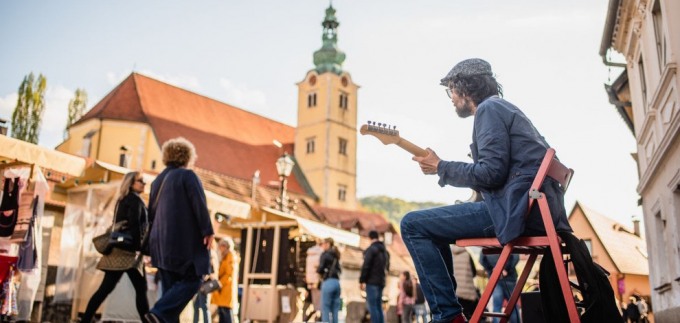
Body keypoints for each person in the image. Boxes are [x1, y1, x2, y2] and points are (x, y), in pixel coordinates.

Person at [400, 58, 572, 323]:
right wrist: (442, 167)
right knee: (430, 228)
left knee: (413, 225)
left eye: (451, 90)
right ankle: (449, 312)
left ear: (465, 87)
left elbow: (491, 174)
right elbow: (496, 174)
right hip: (531, 211)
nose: (451, 98)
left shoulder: (488, 110)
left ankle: (448, 316)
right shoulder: (503, 109)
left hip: (515, 212)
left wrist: (442, 167)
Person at [145, 137, 215, 323]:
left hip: (161, 245)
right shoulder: (187, 176)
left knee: (171, 293)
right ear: (187, 156)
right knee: (194, 279)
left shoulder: (157, 181)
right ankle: (158, 312)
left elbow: (150, 214)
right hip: (184, 244)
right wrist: (208, 230)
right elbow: (199, 204)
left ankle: (160, 316)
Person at [81, 171, 150, 323]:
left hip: (117, 251)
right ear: (131, 183)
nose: (144, 183)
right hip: (130, 252)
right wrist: (142, 248)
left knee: (105, 289)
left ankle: (85, 320)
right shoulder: (135, 201)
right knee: (140, 290)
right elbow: (135, 226)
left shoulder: (122, 200)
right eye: (141, 181)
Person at [479, 253, 519, 323]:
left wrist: (492, 270)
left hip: (495, 278)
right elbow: (516, 256)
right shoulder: (507, 242)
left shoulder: (488, 243)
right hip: (509, 278)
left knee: (497, 307)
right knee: (513, 306)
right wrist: (506, 269)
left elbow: (482, 260)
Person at [360, 230, 389, 323]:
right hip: (381, 281)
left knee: (372, 307)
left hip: (372, 282)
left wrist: (362, 280)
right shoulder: (385, 251)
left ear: (370, 238)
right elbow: (387, 268)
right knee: (378, 306)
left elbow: (366, 266)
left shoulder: (371, 249)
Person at [317, 237, 342, 323]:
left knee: (325, 307)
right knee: (335, 308)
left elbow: (320, 268)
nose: (322, 246)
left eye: (323, 244)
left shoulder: (325, 254)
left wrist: (318, 270)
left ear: (328, 244)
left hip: (328, 282)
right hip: (337, 282)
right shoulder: (336, 255)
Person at [450, 245, 479, 319]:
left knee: (457, 316)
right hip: (467, 292)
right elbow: (474, 272)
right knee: (469, 315)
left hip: (454, 291)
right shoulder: (466, 254)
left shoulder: (449, 254)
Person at [212, 238, 236, 323]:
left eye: (223, 246)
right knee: (221, 312)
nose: (221, 248)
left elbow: (229, 274)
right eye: (220, 245)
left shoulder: (230, 256)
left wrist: (219, 283)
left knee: (226, 312)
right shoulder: (223, 256)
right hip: (221, 289)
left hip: (225, 288)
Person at [304, 239, 323, 322]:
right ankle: (317, 319)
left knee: (313, 302)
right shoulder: (320, 254)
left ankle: (306, 319)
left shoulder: (310, 254)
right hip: (318, 281)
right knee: (319, 303)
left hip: (310, 282)